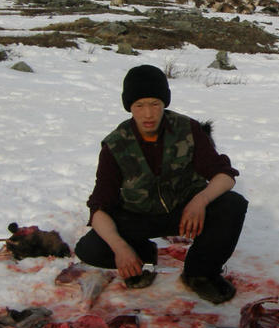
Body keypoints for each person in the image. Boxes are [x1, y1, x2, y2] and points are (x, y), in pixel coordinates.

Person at [75, 64, 248, 304]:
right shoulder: (115, 145)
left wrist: (200, 200)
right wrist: (120, 248)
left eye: (154, 104)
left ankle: (200, 274)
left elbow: (225, 175)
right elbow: (99, 207)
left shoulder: (188, 130)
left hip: (184, 211)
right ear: (129, 108)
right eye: (139, 106)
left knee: (232, 204)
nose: (148, 114)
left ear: (164, 103)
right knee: (91, 248)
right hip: (138, 216)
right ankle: (141, 257)